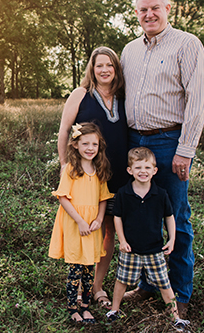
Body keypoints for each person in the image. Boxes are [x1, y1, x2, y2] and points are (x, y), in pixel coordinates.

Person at [120, 0, 204, 318]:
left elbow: (197, 100)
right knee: (139, 215)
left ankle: (181, 292)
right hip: (133, 143)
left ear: (168, 8)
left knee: (175, 216)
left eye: (155, 8)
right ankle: (146, 285)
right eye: (143, 10)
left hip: (168, 142)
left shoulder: (187, 45)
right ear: (137, 13)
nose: (149, 15)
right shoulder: (129, 50)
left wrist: (185, 150)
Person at [57, 46, 129, 309]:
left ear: (116, 69)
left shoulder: (124, 95)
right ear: (92, 68)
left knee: (108, 229)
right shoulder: (81, 94)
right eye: (99, 65)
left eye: (109, 65)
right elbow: (64, 130)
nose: (104, 70)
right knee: (84, 227)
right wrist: (66, 166)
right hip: (86, 175)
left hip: (119, 173)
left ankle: (97, 286)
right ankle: (79, 288)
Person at [106, 147, 190, 331]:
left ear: (155, 171)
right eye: (138, 168)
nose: (142, 171)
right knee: (122, 280)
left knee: (164, 284)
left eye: (147, 167)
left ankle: (175, 317)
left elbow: (169, 217)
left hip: (154, 249)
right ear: (130, 170)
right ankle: (114, 309)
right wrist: (122, 240)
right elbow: (117, 217)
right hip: (131, 249)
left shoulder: (160, 194)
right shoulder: (124, 193)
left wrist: (172, 239)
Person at [49, 122, 113, 324]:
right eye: (85, 143)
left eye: (94, 144)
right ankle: (72, 308)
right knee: (75, 269)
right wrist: (80, 221)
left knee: (89, 269)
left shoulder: (99, 168)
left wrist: (99, 219)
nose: (90, 148)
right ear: (75, 145)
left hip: (93, 225)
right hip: (76, 224)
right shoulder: (70, 169)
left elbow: (103, 198)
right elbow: (63, 197)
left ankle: (85, 307)